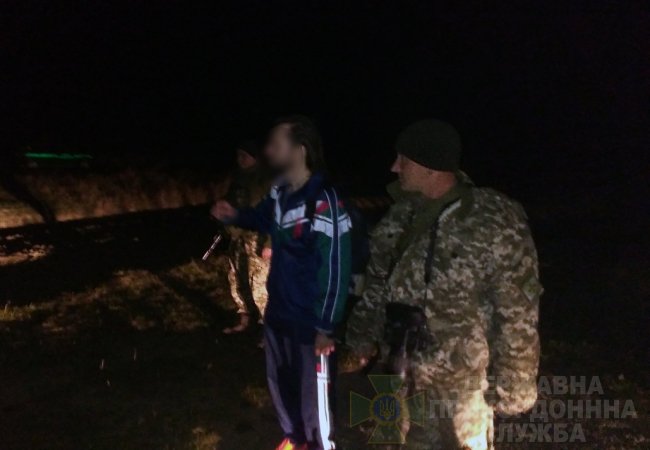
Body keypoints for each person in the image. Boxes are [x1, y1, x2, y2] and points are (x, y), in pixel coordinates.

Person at [346, 119, 542, 450]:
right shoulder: (400, 216)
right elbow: (378, 285)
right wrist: (362, 336)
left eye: (404, 160)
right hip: (399, 372)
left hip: (461, 386)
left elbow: (517, 307)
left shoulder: (490, 218)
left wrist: (514, 382)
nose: (394, 167)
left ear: (430, 166)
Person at [212, 116, 352, 450]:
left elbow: (335, 268)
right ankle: (295, 439)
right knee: (281, 385)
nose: (269, 150)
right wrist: (234, 214)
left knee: (314, 398)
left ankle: (319, 445)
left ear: (300, 150)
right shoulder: (279, 190)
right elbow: (262, 217)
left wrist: (325, 326)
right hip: (278, 312)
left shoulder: (324, 201)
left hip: (310, 322)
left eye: (278, 143)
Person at [221, 140, 272, 334]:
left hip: (258, 239)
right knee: (236, 279)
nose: (240, 159)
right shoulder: (238, 179)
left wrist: (270, 243)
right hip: (238, 239)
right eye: (238, 155)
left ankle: (270, 332)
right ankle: (244, 319)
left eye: (245, 155)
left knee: (260, 285)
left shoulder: (266, 180)